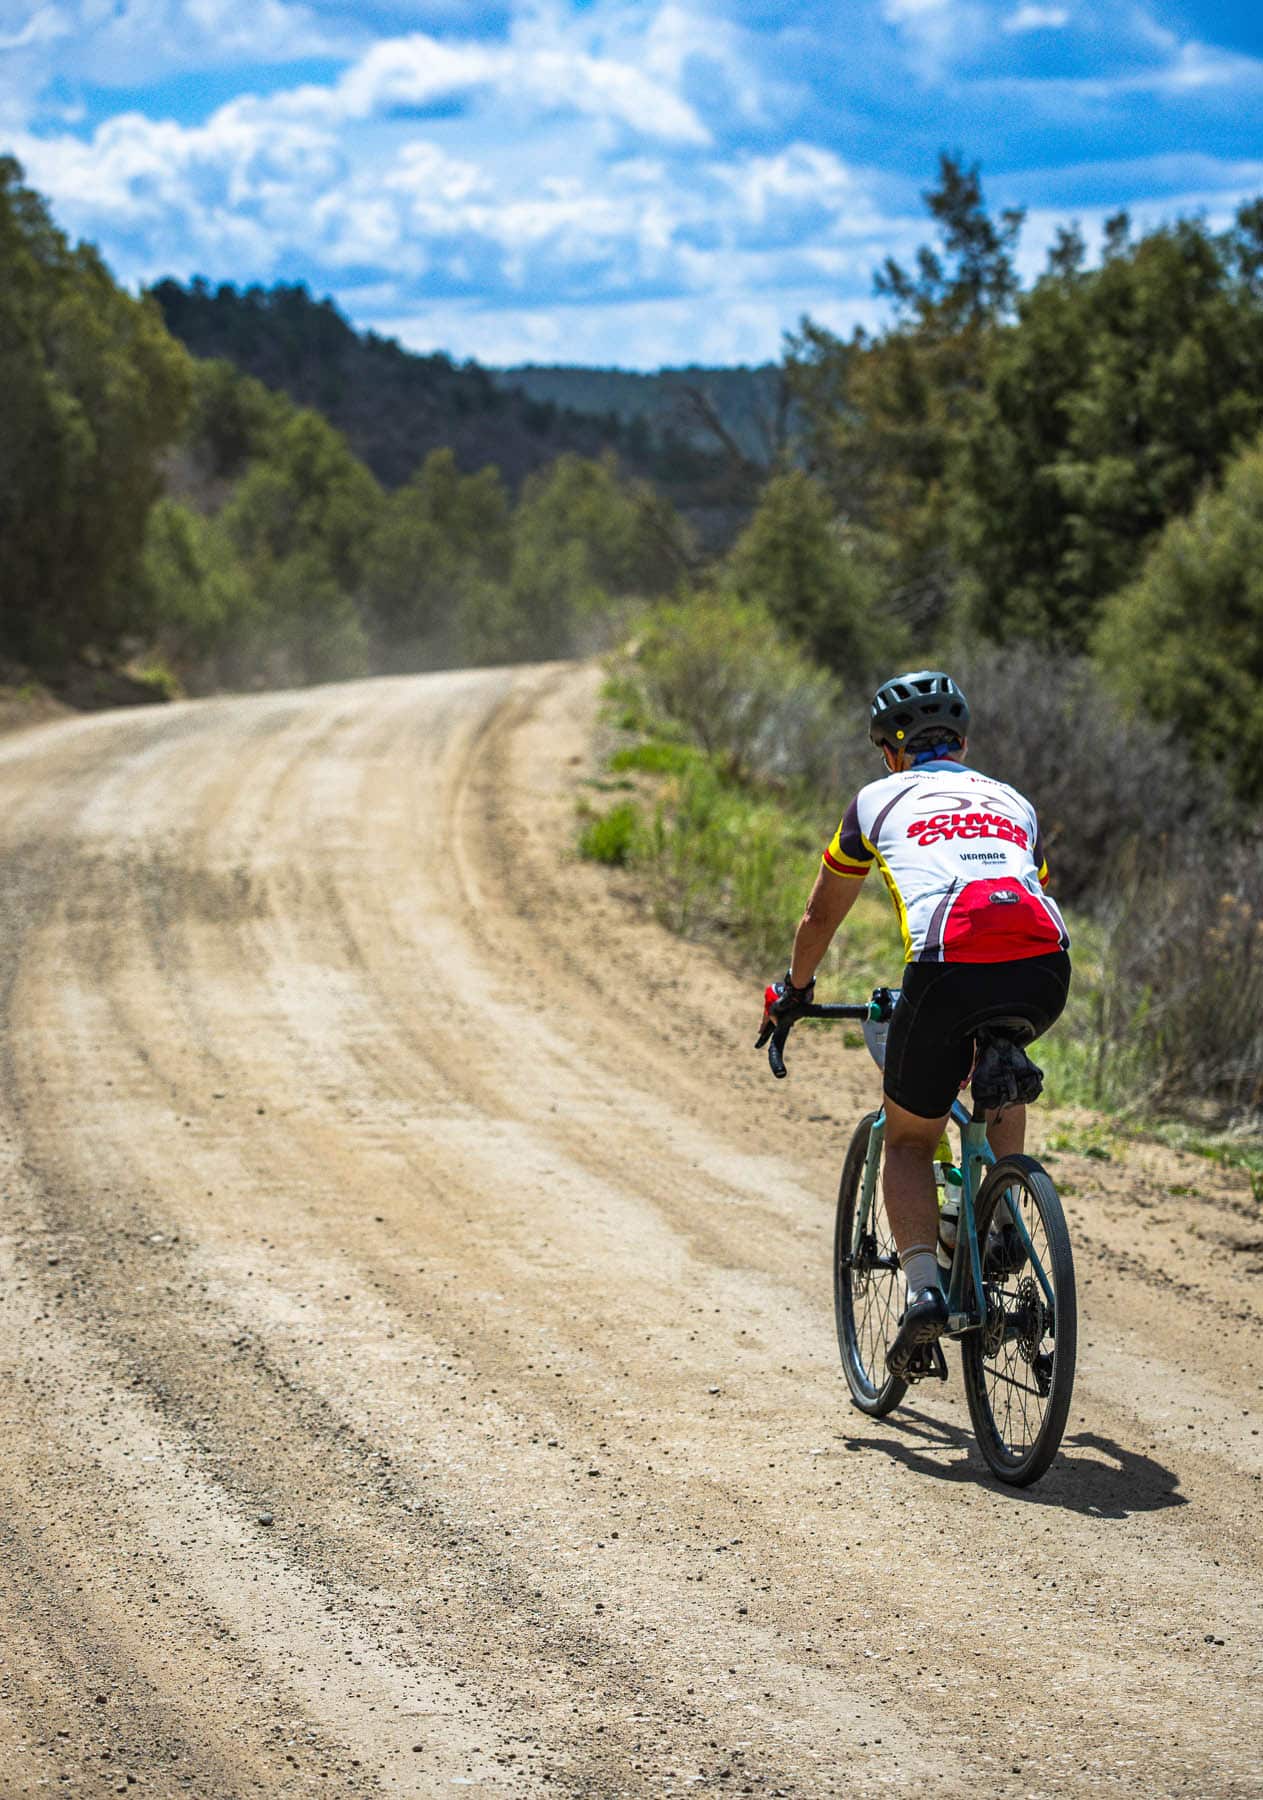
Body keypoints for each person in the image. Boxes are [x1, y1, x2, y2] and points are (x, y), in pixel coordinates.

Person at [763, 670, 1071, 1378]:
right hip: (1043, 968)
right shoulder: (1012, 800)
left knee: (906, 1135)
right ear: (961, 743)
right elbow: (1025, 892)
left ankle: (925, 1291)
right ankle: (1000, 1220)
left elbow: (819, 916)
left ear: (888, 751)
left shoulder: (875, 800)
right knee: (999, 1067)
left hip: (945, 965)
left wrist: (794, 990)